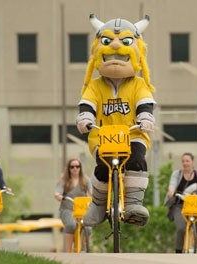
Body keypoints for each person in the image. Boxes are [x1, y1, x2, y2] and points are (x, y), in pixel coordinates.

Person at [77, 14, 156, 227]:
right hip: (102, 136)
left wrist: (145, 118)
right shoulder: (95, 85)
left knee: (137, 159)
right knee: (102, 166)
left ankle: (133, 205)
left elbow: (145, 103)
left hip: (133, 134)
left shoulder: (138, 84)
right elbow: (87, 104)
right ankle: (98, 204)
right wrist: (85, 117)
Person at [165, 153, 197, 253]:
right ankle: (178, 252)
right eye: (183, 161)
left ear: (192, 162)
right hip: (180, 206)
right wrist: (171, 191)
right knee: (181, 229)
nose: (185, 163)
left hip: (195, 206)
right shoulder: (177, 174)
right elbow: (172, 185)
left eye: (187, 161)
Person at [54, 158, 92, 252]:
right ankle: (68, 252)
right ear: (69, 169)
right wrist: (58, 196)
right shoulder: (64, 181)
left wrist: (94, 195)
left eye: (77, 166)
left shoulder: (86, 180)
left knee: (88, 228)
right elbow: (57, 192)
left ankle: (83, 248)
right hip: (68, 209)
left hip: (82, 210)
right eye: (72, 167)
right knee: (71, 225)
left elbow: (91, 191)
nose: (75, 169)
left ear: (80, 168)